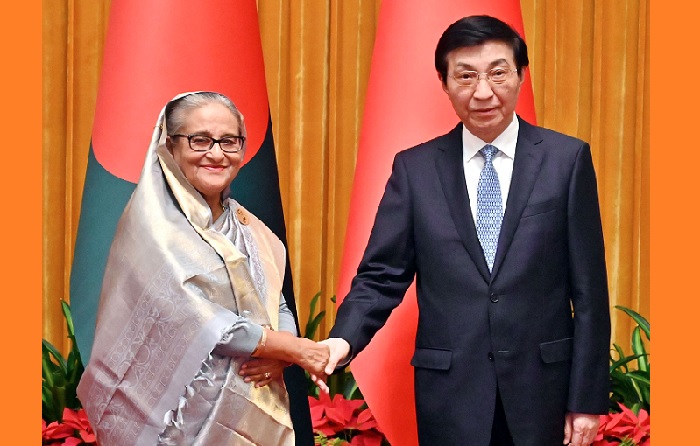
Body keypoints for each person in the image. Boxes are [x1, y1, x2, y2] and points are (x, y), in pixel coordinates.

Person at [320, 15, 611, 446]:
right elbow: (381, 276)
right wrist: (342, 340)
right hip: (451, 395)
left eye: (498, 73)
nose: (483, 92)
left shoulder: (565, 161)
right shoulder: (415, 170)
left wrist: (586, 399)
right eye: (466, 76)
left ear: (520, 74)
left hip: (542, 393)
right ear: (444, 83)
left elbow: (589, 291)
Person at [77, 91, 330, 446]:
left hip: (248, 413)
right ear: (170, 146)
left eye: (229, 141)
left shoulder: (250, 228)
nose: (216, 153)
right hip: (173, 427)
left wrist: (282, 355)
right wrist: (293, 349)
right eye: (200, 140)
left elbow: (277, 304)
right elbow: (202, 320)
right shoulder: (155, 227)